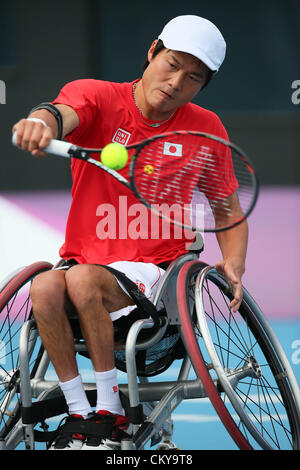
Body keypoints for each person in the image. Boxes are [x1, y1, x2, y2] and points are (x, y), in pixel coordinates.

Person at [12, 15, 248, 450]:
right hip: (83, 264)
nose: (176, 82)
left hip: (156, 276)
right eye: (171, 64)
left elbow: (227, 207)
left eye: (193, 78)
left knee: (82, 280)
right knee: (45, 287)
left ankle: (110, 413)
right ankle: (81, 413)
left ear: (203, 85)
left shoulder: (205, 128)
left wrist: (234, 261)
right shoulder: (98, 97)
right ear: (152, 51)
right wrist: (40, 123)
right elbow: (60, 112)